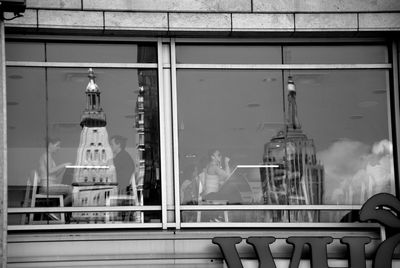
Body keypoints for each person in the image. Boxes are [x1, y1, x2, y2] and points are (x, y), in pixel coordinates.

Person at [38, 137, 72, 204]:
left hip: (49, 186)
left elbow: (55, 175)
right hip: (47, 187)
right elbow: (50, 171)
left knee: (71, 190)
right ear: (50, 145)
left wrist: (64, 167)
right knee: (73, 190)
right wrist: (63, 164)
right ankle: (58, 212)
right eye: (57, 146)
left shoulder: (48, 156)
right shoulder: (46, 155)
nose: (59, 148)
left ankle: (58, 211)